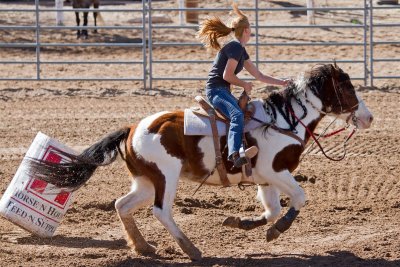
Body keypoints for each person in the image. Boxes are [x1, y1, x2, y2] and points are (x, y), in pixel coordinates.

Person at [196, 3, 290, 168]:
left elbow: (259, 75)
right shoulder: (235, 47)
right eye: (250, 28)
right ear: (246, 30)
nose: (251, 31)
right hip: (216, 90)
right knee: (237, 115)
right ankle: (235, 153)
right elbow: (227, 75)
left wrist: (281, 82)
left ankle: (239, 149)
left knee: (241, 114)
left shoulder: (240, 49)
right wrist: (244, 84)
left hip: (222, 90)